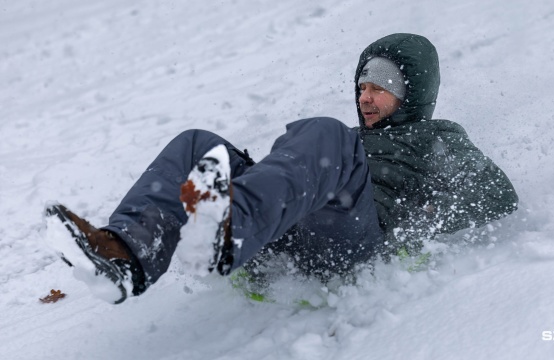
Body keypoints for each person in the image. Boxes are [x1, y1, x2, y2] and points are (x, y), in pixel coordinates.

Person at [44, 33, 518, 304]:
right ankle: (128, 255)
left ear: (414, 91)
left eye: (382, 85)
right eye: (362, 85)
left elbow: (500, 195)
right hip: (294, 232)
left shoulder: (440, 138)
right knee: (200, 144)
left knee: (325, 134)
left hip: (359, 241)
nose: (365, 97)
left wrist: (427, 217)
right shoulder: (352, 143)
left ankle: (230, 227)